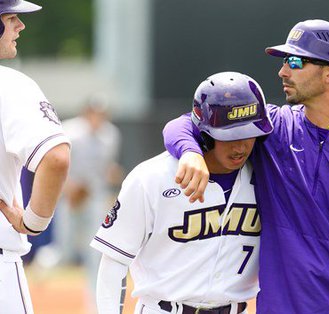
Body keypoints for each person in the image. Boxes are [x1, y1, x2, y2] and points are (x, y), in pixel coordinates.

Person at [163, 20, 329, 313]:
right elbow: (184, 123)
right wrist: (190, 152)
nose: (282, 71)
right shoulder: (273, 128)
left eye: (294, 61)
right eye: (284, 61)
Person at [91, 71, 273, 314]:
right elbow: (114, 262)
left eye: (248, 134)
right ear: (205, 132)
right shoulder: (151, 177)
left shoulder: (267, 175)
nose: (241, 146)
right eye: (230, 135)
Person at [0, 1, 71, 313]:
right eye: (11, 17)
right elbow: (56, 157)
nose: (20, 26)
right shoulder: (10, 85)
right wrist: (33, 223)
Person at [49, 94, 122, 308]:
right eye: (93, 113)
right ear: (85, 113)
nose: (97, 118)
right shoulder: (70, 131)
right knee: (64, 251)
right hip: (69, 195)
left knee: (95, 253)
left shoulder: (111, 134)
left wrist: (112, 175)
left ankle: (95, 305)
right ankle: (37, 283)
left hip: (93, 196)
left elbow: (107, 168)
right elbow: (54, 163)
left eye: (101, 114)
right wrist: (66, 188)